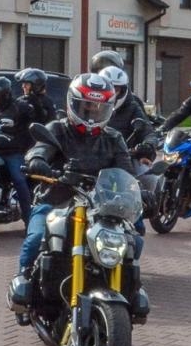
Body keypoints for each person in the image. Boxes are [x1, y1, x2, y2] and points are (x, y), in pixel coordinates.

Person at [10, 74, 136, 294]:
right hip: (55, 200)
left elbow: (126, 172)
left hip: (98, 207)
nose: (92, 113)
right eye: (86, 106)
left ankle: (128, 289)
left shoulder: (113, 138)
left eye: (98, 108)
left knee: (132, 242)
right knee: (37, 237)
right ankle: (24, 279)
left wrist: (139, 190)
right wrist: (37, 161)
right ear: (72, 103)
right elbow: (40, 148)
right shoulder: (58, 129)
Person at [0, 76, 36, 222]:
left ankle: (28, 219)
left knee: (19, 179)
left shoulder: (19, 108)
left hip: (13, 152)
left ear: (4, 95)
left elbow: (33, 122)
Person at [97, 65, 155, 150]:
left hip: (122, 154)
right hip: (91, 155)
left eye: (115, 88)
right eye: (108, 88)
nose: (111, 92)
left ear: (122, 90)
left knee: (142, 163)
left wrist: (148, 145)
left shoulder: (132, 107)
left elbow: (147, 132)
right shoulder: (90, 106)